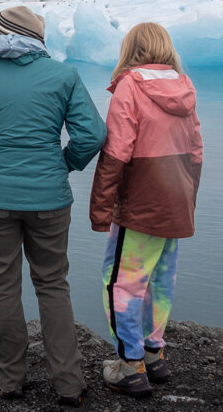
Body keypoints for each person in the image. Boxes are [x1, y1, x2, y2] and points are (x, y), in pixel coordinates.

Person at [0, 5, 106, 406]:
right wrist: (64, 164)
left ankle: (10, 381)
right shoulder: (64, 75)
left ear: (0, 35)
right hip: (49, 197)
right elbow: (92, 135)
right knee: (53, 284)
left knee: (1, 283)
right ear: (36, 37)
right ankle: (69, 383)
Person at [90, 22, 203, 398]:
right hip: (175, 201)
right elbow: (196, 151)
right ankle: (155, 355)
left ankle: (130, 366)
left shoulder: (130, 85)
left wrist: (101, 208)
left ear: (130, 49)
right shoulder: (184, 85)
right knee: (161, 279)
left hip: (141, 203)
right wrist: (187, 199)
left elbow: (117, 151)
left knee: (120, 281)